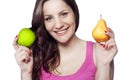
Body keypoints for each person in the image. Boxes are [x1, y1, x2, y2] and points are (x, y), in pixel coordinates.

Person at [13, 0, 118, 80]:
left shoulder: (100, 52)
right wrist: (26, 72)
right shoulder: (36, 55)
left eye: (64, 14)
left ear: (74, 13)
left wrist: (103, 65)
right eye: (49, 18)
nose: (58, 25)